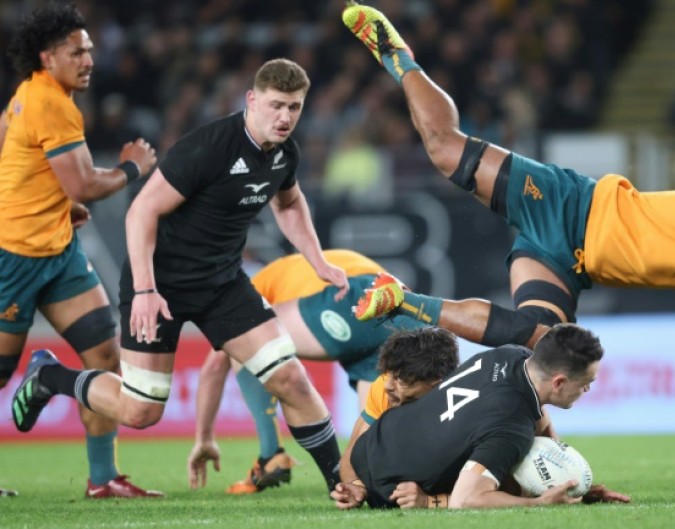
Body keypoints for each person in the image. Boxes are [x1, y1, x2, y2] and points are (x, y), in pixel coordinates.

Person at [342, 2, 675, 450]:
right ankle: (398, 55)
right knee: (443, 149)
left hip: (567, 262)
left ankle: (404, 300)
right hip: (567, 203)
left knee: (536, 344)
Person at [10, 58, 348, 492]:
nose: (285, 117)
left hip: (222, 285)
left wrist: (318, 261)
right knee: (141, 412)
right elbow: (141, 212)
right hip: (160, 283)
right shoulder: (209, 146)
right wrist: (146, 289)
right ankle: (48, 376)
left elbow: (289, 203)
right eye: (276, 105)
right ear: (251, 100)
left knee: (290, 379)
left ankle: (343, 484)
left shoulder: (285, 153)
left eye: (295, 108)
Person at [0, 3, 160, 498]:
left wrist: (56, 205)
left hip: (59, 252)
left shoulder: (29, 96)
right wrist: (133, 167)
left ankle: (101, 478)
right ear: (48, 57)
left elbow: (11, 154)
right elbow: (88, 182)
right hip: (15, 258)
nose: (89, 59)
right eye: (77, 52)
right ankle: (41, 376)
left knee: (105, 355)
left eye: (89, 49)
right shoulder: (50, 102)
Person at [185, 249, 427, 494]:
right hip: (396, 303)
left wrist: (204, 438)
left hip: (353, 296)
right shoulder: (291, 270)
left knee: (246, 340)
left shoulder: (245, 290)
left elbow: (214, 368)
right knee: (374, 443)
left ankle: (271, 455)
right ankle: (412, 479)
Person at [332, 324, 627, 509]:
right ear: (559, 382)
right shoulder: (511, 427)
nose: (588, 387)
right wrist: (539, 502)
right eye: (587, 380)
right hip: (389, 490)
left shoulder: (509, 354)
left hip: (370, 442)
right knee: (508, 482)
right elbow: (466, 499)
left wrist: (569, 483)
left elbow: (538, 417)